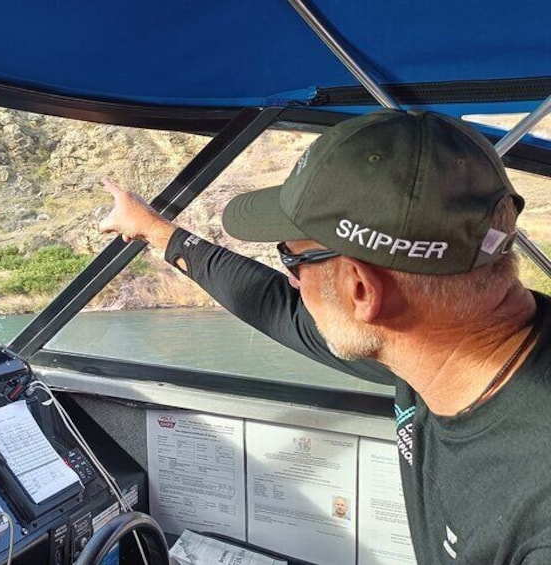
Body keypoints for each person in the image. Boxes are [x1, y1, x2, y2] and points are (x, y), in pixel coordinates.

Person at [99, 109, 551, 564]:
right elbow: (277, 307)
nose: (294, 283)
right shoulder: (436, 341)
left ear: (361, 290)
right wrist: (157, 232)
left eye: (291, 261)